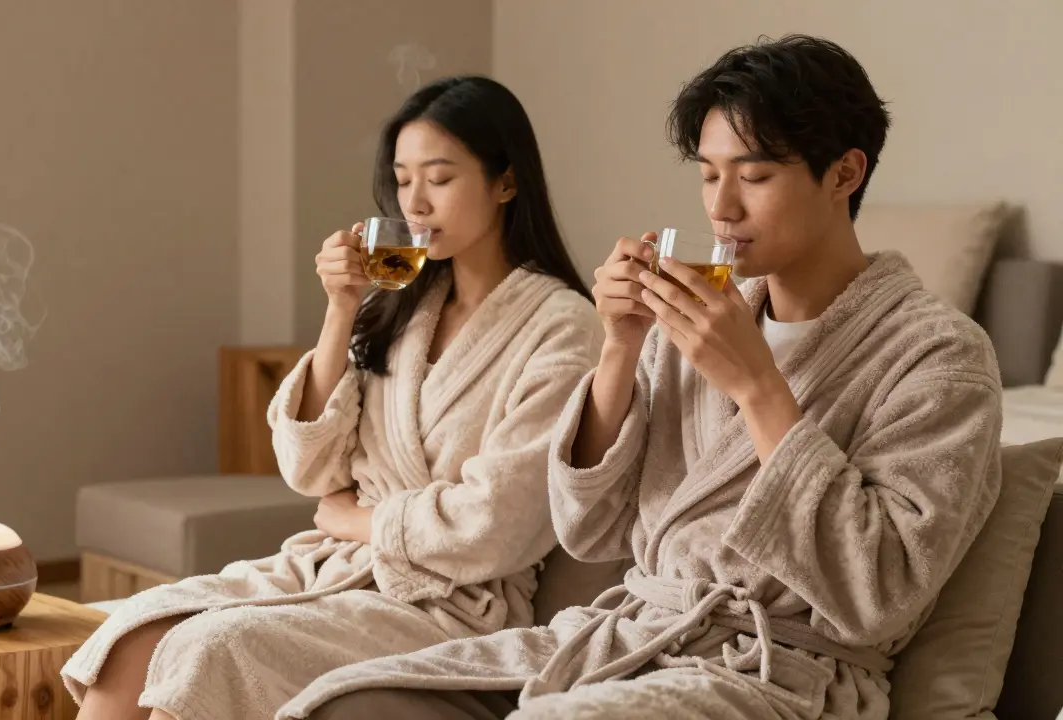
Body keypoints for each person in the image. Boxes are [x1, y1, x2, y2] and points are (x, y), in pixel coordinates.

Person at [284, 34, 1003, 720]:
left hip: (778, 679)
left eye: (753, 176)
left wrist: (758, 387)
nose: (720, 208)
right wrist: (620, 350)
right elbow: (589, 529)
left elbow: (881, 589)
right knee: (347, 701)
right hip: (628, 639)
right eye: (708, 175)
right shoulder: (696, 320)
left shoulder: (941, 356)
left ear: (845, 173)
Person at [61, 75, 604, 720]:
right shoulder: (400, 304)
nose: (417, 202)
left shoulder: (563, 325)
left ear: (506, 183)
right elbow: (310, 469)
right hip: (336, 570)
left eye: (440, 177)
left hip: (450, 603)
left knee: (212, 644)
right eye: (403, 180)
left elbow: (498, 525)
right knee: (137, 632)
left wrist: (358, 521)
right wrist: (341, 309)